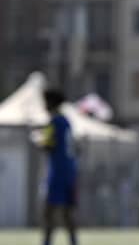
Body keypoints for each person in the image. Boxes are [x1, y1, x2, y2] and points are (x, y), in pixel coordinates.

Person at [40, 89, 78, 245]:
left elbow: (47, 145)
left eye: (45, 102)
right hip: (70, 171)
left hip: (58, 172)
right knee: (68, 213)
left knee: (49, 211)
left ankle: (46, 242)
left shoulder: (53, 122)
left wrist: (39, 141)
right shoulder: (66, 121)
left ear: (51, 103)